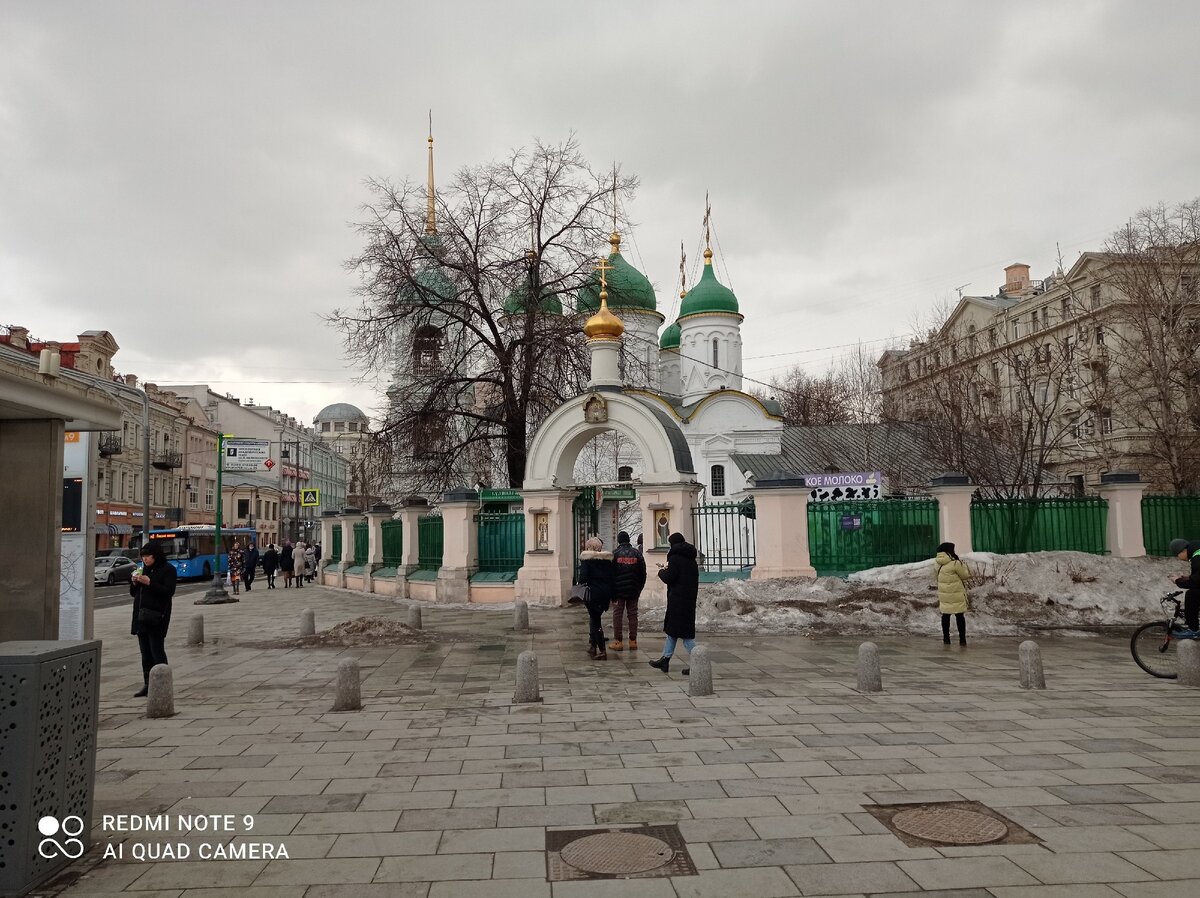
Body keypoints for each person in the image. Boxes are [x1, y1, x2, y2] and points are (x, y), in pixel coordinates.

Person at [129, 540, 177, 697]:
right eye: (143, 556)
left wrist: (150, 582)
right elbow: (134, 593)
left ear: (156, 555)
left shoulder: (168, 569)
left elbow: (168, 591)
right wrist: (135, 582)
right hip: (141, 616)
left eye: (148, 556)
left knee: (156, 650)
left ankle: (162, 683)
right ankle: (148, 684)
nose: (145, 559)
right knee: (145, 653)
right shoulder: (143, 569)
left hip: (157, 617)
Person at [649, 532, 699, 675]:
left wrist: (661, 572)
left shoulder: (676, 558)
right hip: (688, 600)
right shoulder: (691, 559)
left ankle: (699, 662)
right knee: (672, 632)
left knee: (686, 636)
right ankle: (665, 659)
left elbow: (670, 577)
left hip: (678, 601)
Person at [577, 536, 616, 660]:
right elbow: (612, 578)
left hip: (593, 594)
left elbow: (583, 578)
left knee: (595, 621)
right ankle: (593, 646)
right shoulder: (607, 560)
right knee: (594, 618)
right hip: (605, 594)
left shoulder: (587, 560)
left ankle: (602, 651)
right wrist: (613, 595)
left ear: (589, 547)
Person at [609, 530, 646, 651]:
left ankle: (618, 641)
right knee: (633, 614)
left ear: (619, 541)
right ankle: (633, 641)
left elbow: (610, 575)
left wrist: (612, 591)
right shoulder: (637, 554)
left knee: (617, 614)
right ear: (628, 540)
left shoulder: (614, 554)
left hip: (618, 591)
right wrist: (639, 588)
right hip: (633, 590)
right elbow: (643, 574)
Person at [934, 541, 970, 646]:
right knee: (959, 616)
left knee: (945, 615)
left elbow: (936, 577)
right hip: (956, 593)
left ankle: (946, 638)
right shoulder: (955, 563)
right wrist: (963, 565)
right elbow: (965, 576)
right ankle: (962, 639)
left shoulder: (937, 563)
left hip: (944, 593)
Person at [1169, 537, 1200, 634]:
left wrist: (1178, 581)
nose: (1178, 558)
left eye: (1177, 555)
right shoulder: (1197, 552)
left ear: (1183, 551)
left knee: (1191, 595)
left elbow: (1195, 582)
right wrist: (1188, 578)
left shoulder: (1197, 558)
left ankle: (1193, 629)